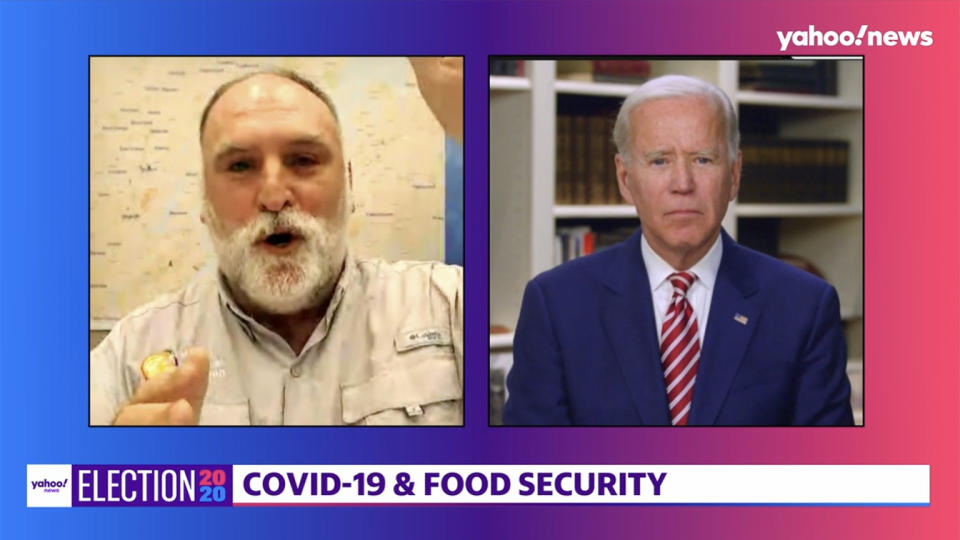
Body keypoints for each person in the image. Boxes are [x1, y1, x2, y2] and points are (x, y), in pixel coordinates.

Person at [90, 68, 463, 426]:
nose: (273, 197)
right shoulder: (130, 353)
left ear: (348, 183)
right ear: (204, 200)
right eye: (240, 166)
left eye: (303, 160)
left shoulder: (449, 305)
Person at [503, 75, 853, 426]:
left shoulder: (804, 306)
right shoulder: (556, 304)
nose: (682, 184)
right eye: (659, 161)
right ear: (625, 180)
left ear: (733, 175)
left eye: (702, 159)